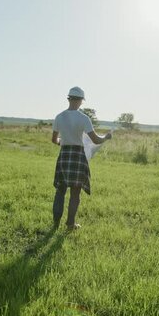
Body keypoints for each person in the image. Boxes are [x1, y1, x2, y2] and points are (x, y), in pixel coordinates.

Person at [51, 86, 111, 230]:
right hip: (78, 156)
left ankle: (55, 224)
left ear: (68, 99)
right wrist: (107, 137)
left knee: (60, 190)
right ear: (81, 101)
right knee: (75, 193)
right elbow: (96, 140)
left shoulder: (59, 117)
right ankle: (70, 224)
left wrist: (62, 142)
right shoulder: (84, 119)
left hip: (64, 155)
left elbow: (54, 140)